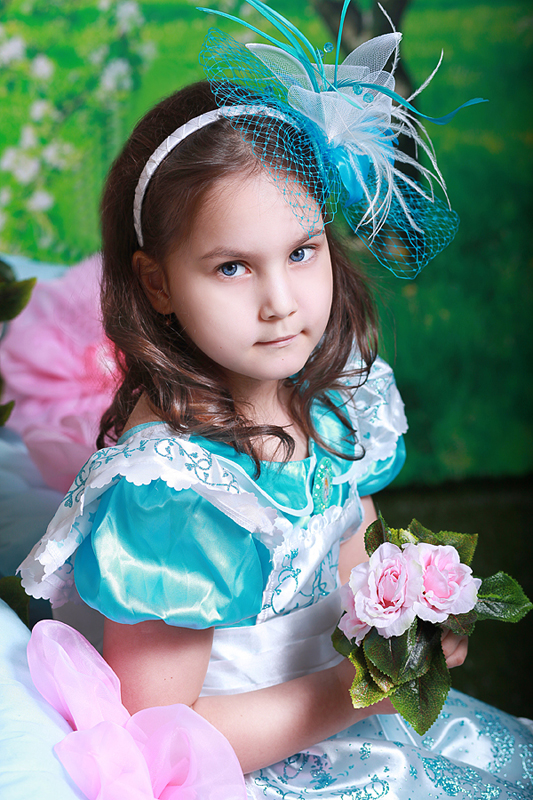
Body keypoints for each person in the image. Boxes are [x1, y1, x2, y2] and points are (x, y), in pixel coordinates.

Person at [19, 2, 533, 797]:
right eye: (232, 267)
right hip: (254, 769)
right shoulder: (170, 494)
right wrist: (355, 688)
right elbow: (159, 737)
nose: (281, 303)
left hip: (351, 726)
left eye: (301, 251)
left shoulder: (330, 399)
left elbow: (354, 566)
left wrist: (402, 632)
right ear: (157, 283)